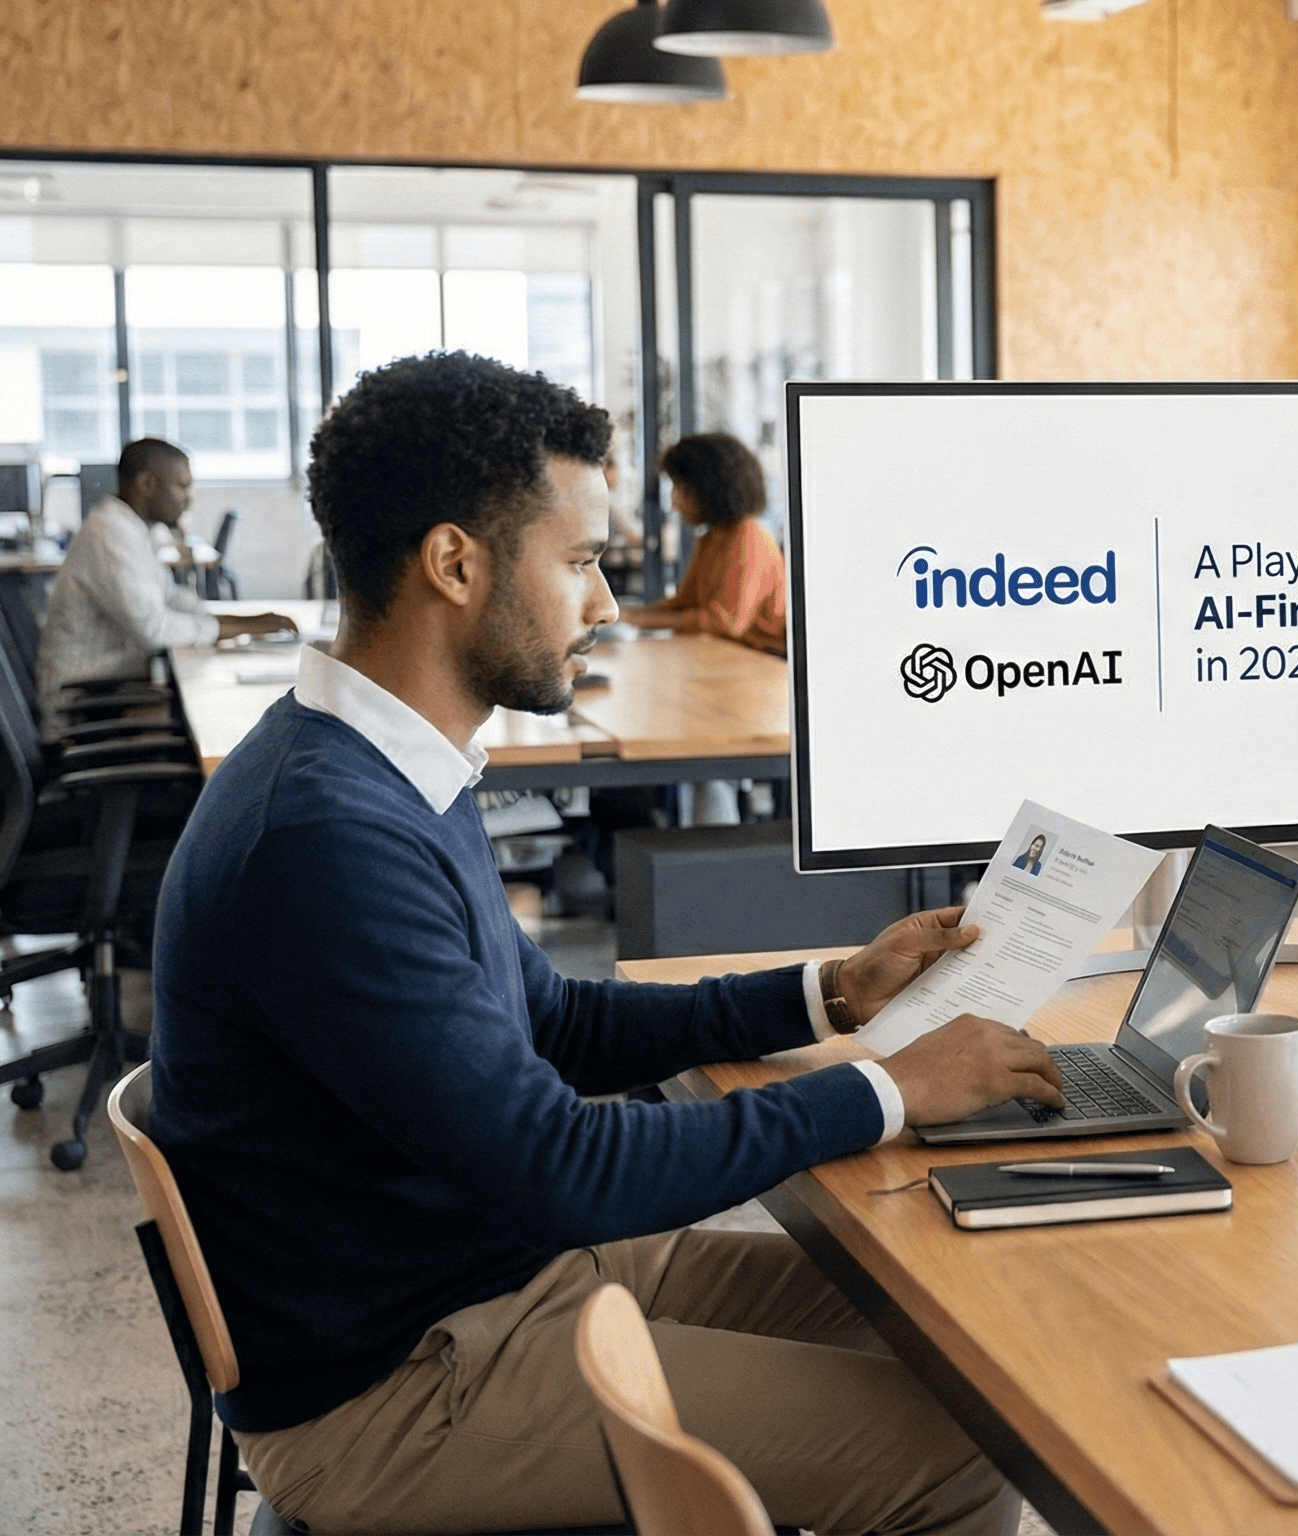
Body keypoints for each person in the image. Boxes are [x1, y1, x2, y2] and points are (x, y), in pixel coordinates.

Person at [149, 353, 1064, 1535]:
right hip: (399, 1390)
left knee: (956, 1327)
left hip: (496, 1277)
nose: (606, 605)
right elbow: (561, 1166)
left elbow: (556, 1024)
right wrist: (886, 1089)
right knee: (961, 1451)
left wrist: (829, 991)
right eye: (579, 562)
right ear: (454, 564)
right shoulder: (323, 838)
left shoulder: (384, 769)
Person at [36, 436, 296, 718]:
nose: (189, 497)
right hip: (85, 708)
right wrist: (241, 627)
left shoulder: (132, 528)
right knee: (220, 714)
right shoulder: (110, 533)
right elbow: (154, 629)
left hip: (110, 693)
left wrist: (243, 623)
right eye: (182, 485)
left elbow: (170, 598)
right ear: (147, 485)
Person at [619, 430, 789, 654]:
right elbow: (684, 602)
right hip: (724, 654)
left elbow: (724, 623)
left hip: (761, 659)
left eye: (680, 490)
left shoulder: (749, 538)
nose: (674, 503)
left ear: (709, 489)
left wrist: (634, 619)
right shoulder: (711, 538)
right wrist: (623, 613)